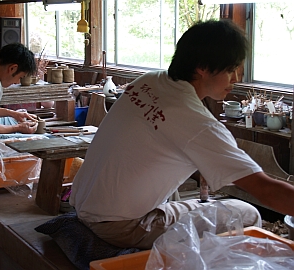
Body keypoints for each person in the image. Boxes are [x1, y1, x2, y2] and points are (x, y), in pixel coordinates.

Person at [69, 19, 294, 250]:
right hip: (121, 226)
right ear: (202, 68)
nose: (236, 80)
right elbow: (266, 190)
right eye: (230, 70)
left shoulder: (149, 81)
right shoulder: (199, 125)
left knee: (177, 191)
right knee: (246, 214)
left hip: (84, 205)